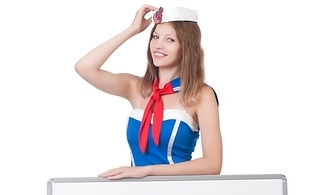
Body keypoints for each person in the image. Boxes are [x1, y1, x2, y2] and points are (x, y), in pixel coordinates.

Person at [75, 4, 222, 179]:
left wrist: (147, 171)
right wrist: (133, 29)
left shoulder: (201, 94)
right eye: (155, 36)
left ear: (186, 48)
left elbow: (213, 164)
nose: (158, 45)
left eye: (170, 40)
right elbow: (84, 68)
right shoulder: (136, 87)